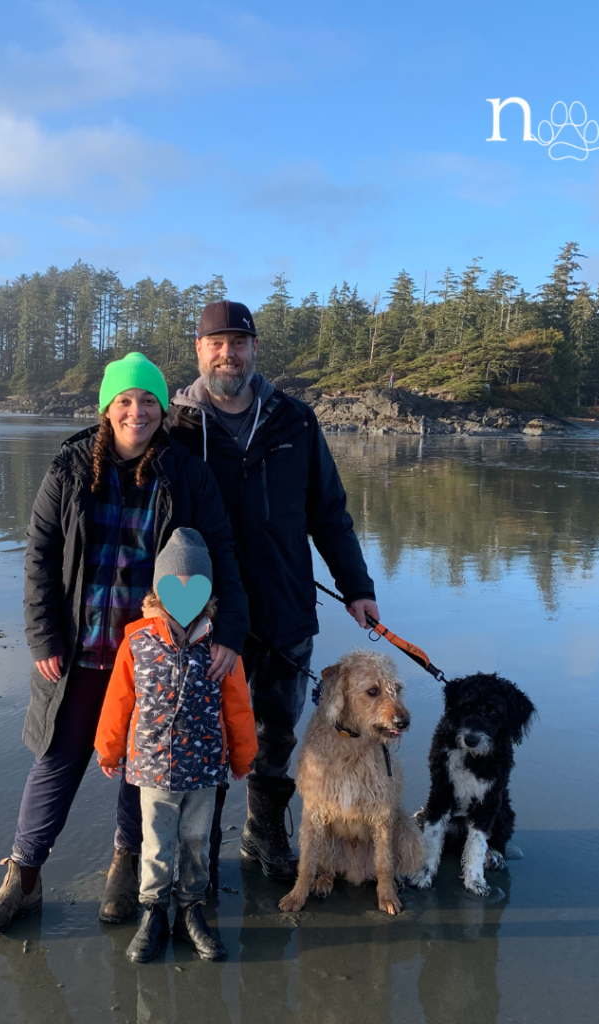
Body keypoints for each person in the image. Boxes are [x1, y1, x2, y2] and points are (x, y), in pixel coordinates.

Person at [0, 352, 248, 935]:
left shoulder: (186, 474)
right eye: (125, 401)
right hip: (79, 648)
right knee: (58, 760)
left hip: (155, 651)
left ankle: (126, 864)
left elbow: (222, 551)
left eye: (148, 401)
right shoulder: (70, 466)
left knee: (138, 768)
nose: (137, 412)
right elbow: (40, 554)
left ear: (163, 409)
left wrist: (233, 633)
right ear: (106, 408)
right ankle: (22, 876)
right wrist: (42, 634)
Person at [166, 299, 381, 880]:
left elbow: (329, 513)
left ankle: (263, 835)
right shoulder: (174, 426)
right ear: (199, 350)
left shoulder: (296, 420)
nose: (227, 353)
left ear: (255, 349)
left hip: (286, 605)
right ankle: (201, 848)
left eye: (238, 342)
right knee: (202, 735)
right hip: (204, 612)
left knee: (278, 733)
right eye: (216, 342)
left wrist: (356, 586)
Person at [95, 529, 257, 963]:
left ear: (207, 594)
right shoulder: (137, 641)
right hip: (153, 770)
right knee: (155, 844)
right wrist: (108, 749)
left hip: (205, 770)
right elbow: (119, 700)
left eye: (194, 587)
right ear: (159, 589)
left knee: (196, 842)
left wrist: (243, 757)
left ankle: (190, 911)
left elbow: (238, 708)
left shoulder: (222, 648)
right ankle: (153, 913)